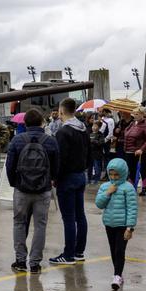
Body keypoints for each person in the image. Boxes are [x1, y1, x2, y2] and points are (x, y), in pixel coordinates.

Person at [6, 109, 59, 274]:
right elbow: (56, 165)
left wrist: (14, 183)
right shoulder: (50, 141)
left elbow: (10, 165)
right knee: (40, 225)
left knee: (19, 223)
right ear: (42, 123)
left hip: (21, 189)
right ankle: (35, 263)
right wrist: (52, 180)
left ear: (25, 123)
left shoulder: (17, 140)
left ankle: (20, 261)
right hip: (43, 189)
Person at [50, 97, 91, 265]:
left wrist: (55, 177)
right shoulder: (83, 129)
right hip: (81, 175)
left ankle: (68, 254)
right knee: (80, 215)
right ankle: (79, 251)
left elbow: (61, 159)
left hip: (67, 178)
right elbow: (89, 153)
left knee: (68, 217)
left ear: (61, 111)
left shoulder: (63, 132)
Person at [95, 158, 138, 291]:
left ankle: (117, 276)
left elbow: (132, 208)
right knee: (113, 251)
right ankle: (118, 273)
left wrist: (130, 227)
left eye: (116, 175)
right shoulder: (105, 186)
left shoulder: (128, 188)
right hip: (109, 224)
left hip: (122, 226)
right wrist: (108, 192)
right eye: (111, 174)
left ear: (123, 173)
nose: (113, 177)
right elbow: (99, 204)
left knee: (120, 250)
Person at [123, 106, 146, 196]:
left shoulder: (145, 125)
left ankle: (145, 188)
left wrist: (141, 149)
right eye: (134, 113)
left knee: (143, 170)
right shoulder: (132, 124)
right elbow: (126, 134)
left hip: (141, 152)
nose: (134, 115)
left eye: (137, 114)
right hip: (129, 151)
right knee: (131, 170)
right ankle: (132, 188)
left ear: (142, 115)